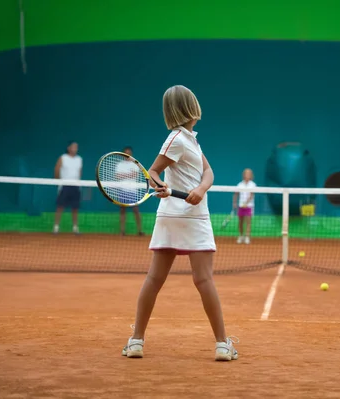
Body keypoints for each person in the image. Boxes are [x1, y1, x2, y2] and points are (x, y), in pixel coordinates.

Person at [122, 85, 238, 361]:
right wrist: (160, 184)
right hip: (179, 216)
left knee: (185, 279)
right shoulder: (175, 138)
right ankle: (221, 344)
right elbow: (152, 171)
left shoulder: (191, 140)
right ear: (190, 108)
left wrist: (200, 189)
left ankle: (138, 340)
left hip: (191, 215)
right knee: (178, 279)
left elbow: (208, 171)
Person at [53, 141, 82, 234]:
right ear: (68, 148)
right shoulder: (63, 158)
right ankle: (56, 227)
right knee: (60, 206)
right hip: (64, 185)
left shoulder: (79, 159)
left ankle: (75, 227)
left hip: (75, 186)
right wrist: (58, 181)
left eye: (76, 147)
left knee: (75, 208)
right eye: (73, 147)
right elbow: (57, 169)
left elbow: (79, 172)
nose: (75, 149)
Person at [115, 146, 144, 236]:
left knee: (136, 210)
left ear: (131, 154)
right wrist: (129, 174)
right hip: (122, 190)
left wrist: (123, 175)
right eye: (126, 153)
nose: (127, 155)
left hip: (133, 191)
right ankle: (122, 231)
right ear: (123, 154)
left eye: (129, 153)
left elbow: (135, 174)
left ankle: (139, 231)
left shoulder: (135, 164)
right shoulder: (119, 165)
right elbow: (117, 176)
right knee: (122, 210)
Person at [233, 168, 256, 244]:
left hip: (249, 206)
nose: (247, 175)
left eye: (249, 174)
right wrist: (235, 203)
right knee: (240, 222)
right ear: (244, 175)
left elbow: (251, 195)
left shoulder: (253, 185)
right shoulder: (240, 184)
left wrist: (246, 203)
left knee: (248, 222)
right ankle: (241, 236)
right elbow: (235, 194)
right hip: (241, 206)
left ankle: (247, 237)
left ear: (251, 175)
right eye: (246, 173)